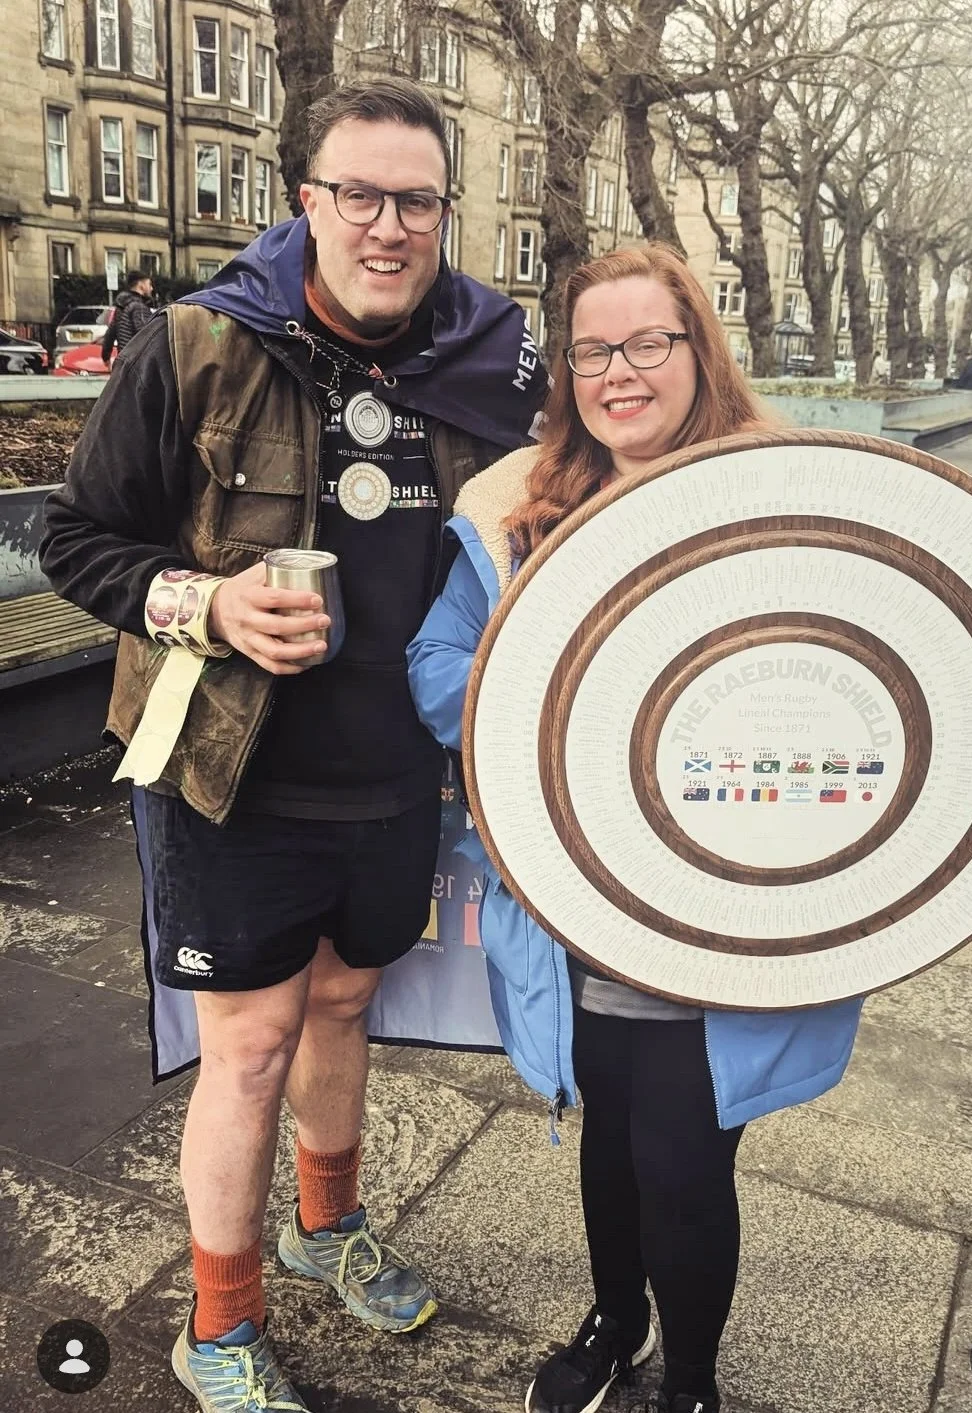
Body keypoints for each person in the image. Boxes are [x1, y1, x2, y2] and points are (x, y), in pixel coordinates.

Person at [40, 78, 545, 1413]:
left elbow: (586, 479)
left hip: (399, 768)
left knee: (342, 1004)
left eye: (418, 200)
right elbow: (76, 540)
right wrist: (201, 602)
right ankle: (220, 1320)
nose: (391, 225)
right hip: (229, 765)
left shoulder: (496, 357)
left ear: (447, 209)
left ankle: (326, 1231)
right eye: (361, 195)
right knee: (251, 1042)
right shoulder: (204, 344)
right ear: (307, 201)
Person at [407, 244, 864, 1413]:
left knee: (683, 1157)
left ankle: (693, 1377)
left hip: (723, 903)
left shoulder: (783, 491)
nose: (621, 372)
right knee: (607, 1142)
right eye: (593, 349)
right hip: (576, 906)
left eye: (647, 343)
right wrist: (565, 706)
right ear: (567, 368)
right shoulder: (520, 510)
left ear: (694, 349)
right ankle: (616, 1320)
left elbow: (862, 675)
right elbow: (436, 659)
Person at [100, 269, 155, 362]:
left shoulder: (121, 306)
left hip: (124, 361)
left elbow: (110, 334)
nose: (151, 288)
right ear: (141, 285)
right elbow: (146, 336)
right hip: (137, 363)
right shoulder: (139, 307)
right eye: (149, 284)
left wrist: (106, 357)